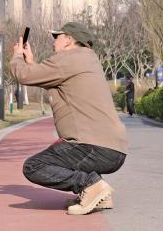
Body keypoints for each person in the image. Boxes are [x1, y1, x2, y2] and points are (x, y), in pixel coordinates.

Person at [10, 22, 127, 215]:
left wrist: (16, 55)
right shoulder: (86, 59)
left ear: (69, 40)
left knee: (34, 166)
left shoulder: (68, 59)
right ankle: (100, 195)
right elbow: (52, 81)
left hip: (93, 147)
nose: (53, 42)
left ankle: (91, 185)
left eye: (57, 37)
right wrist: (31, 63)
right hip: (113, 150)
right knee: (58, 153)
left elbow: (23, 75)